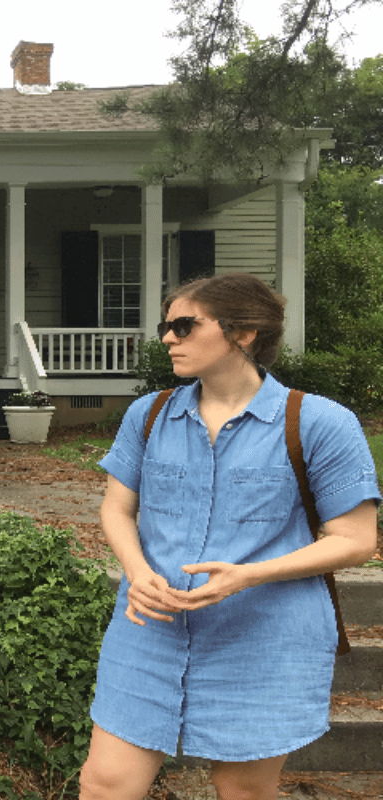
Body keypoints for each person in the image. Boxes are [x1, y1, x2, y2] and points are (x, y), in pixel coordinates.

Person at [79, 274, 380, 800]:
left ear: (243, 332)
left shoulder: (318, 423)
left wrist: (248, 575)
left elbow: (355, 540)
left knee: (242, 789)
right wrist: (138, 571)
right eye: (165, 326)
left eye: (184, 325)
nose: (168, 338)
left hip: (263, 636)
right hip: (150, 627)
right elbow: (116, 509)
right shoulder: (148, 414)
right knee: (106, 784)